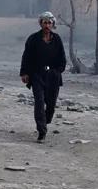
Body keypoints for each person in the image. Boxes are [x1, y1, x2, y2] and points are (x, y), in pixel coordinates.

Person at [20, 11, 67, 142]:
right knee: (39, 102)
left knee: (51, 105)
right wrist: (24, 73)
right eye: (44, 22)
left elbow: (62, 59)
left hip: (53, 76)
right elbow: (26, 57)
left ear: (53, 24)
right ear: (41, 24)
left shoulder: (57, 39)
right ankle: (42, 131)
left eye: (49, 22)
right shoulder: (33, 39)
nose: (47, 25)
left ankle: (45, 121)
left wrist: (57, 71)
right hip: (37, 75)